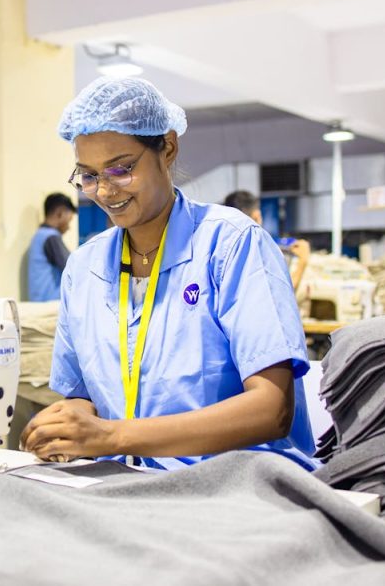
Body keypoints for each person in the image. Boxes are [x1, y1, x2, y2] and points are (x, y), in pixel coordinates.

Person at [20, 77, 315, 470]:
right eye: (88, 176)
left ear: (168, 148)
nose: (105, 191)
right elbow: (82, 395)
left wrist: (114, 435)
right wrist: (67, 428)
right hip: (125, 481)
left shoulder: (231, 245)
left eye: (120, 169)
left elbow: (272, 408)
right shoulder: (84, 268)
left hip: (238, 484)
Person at [223, 189, 310, 290]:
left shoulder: (221, 251)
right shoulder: (256, 254)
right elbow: (281, 297)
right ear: (257, 215)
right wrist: (302, 262)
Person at [26, 193, 77, 302]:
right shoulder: (50, 237)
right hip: (50, 304)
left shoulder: (40, 235)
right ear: (60, 213)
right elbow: (73, 268)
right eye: (69, 220)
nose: (69, 227)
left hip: (40, 302)